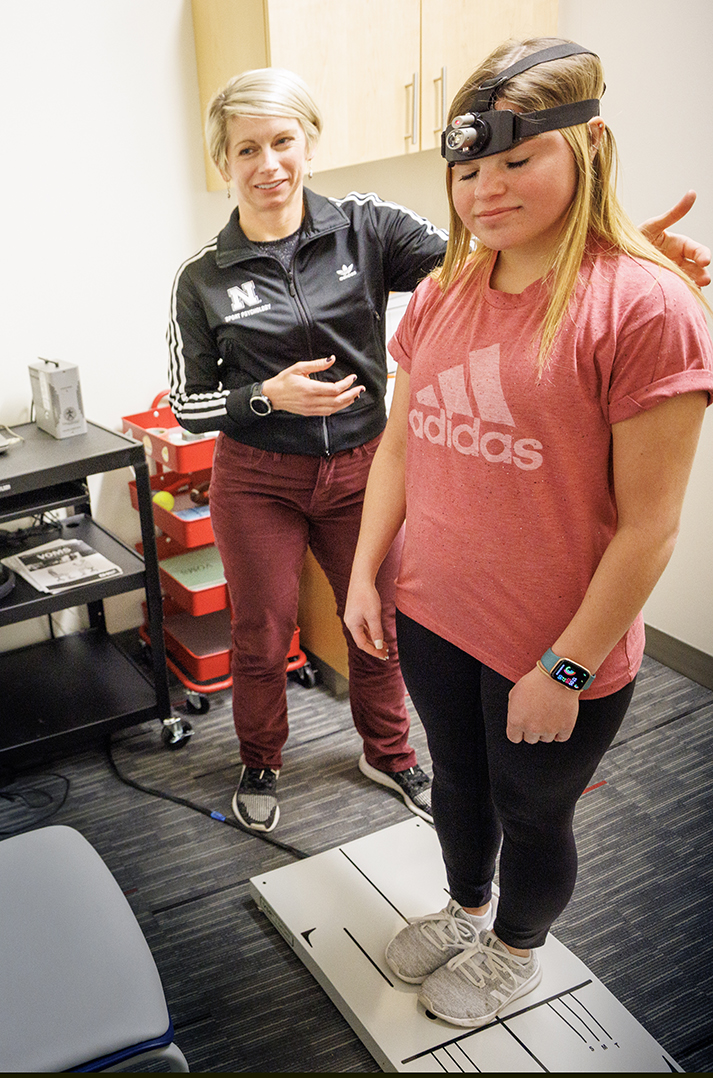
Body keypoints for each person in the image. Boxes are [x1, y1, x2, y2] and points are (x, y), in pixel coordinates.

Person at [166, 67, 708, 835]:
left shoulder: (365, 226)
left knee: (378, 620)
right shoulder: (202, 276)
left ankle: (386, 753)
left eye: (282, 141)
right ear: (223, 162)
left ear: (308, 145)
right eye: (245, 149)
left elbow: (493, 260)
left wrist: (614, 263)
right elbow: (185, 406)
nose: (267, 164)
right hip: (257, 477)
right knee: (261, 630)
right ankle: (261, 756)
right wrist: (264, 397)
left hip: (362, 462)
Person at [344, 38, 711, 1028]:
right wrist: (367, 574)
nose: (486, 189)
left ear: (587, 147)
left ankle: (516, 946)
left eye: (516, 161)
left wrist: (566, 666)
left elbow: (650, 529)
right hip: (432, 609)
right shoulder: (443, 294)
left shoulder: (646, 309)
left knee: (533, 808)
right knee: (456, 781)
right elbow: (400, 450)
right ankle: (468, 907)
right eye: (467, 170)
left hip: (555, 643)